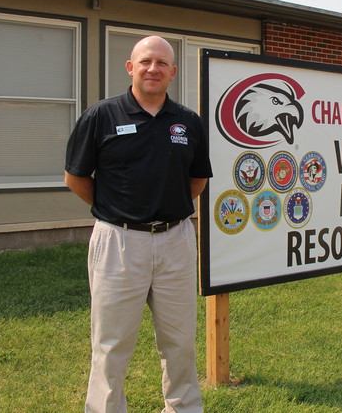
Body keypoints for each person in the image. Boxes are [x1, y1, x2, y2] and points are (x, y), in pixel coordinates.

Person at [64, 35, 212, 413]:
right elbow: (76, 178)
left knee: (180, 341)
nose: (153, 69)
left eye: (162, 63)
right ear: (130, 67)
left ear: (173, 73)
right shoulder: (102, 116)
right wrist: (116, 209)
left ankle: (183, 408)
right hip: (118, 242)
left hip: (176, 241)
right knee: (111, 345)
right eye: (145, 61)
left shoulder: (188, 122)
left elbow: (197, 181)